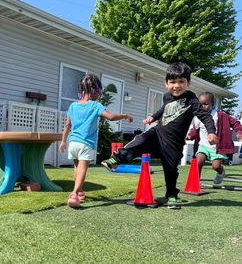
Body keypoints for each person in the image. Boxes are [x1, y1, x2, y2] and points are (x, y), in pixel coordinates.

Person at [101, 62, 217, 209]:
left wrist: (211, 131)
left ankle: (172, 196)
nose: (176, 86)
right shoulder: (167, 97)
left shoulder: (192, 100)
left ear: (188, 83)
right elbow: (163, 110)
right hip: (157, 133)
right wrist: (153, 118)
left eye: (181, 81)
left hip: (173, 144)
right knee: (140, 140)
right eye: (172, 82)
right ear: (166, 84)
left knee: (171, 171)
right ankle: (116, 159)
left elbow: (206, 117)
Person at [59, 74, 133, 208]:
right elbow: (110, 117)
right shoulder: (95, 105)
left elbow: (67, 125)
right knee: (83, 169)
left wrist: (63, 141)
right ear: (94, 89)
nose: (99, 95)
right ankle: (74, 194)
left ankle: (80, 191)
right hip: (85, 143)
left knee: (77, 167)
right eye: (99, 91)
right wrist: (125, 115)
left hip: (73, 142)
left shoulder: (73, 106)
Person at [186, 92, 242, 184]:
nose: (203, 107)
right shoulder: (198, 117)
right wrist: (190, 135)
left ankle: (221, 172)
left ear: (213, 103)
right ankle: (195, 183)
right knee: (198, 162)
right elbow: (195, 130)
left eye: (206, 104)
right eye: (201, 105)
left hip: (217, 147)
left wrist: (239, 132)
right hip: (203, 145)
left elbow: (235, 123)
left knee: (216, 166)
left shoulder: (220, 115)